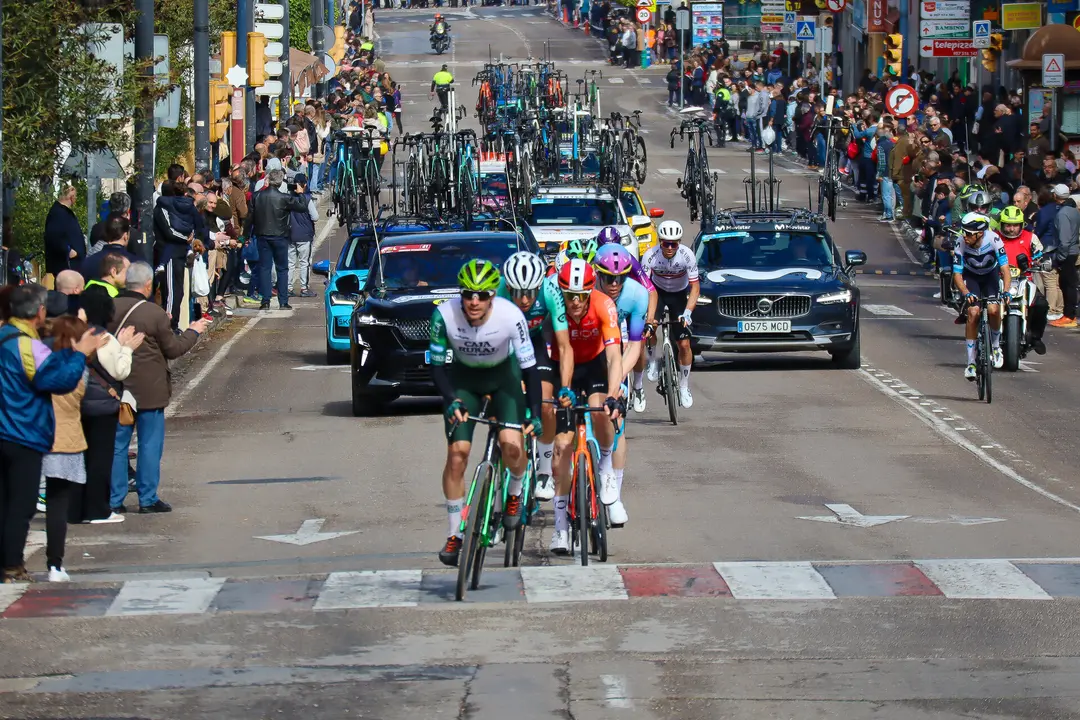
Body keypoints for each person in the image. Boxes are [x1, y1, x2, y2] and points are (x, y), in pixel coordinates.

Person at [429, 260, 542, 567]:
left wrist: (534, 413)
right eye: (468, 294)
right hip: (463, 383)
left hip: (504, 380)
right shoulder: (443, 316)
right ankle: (455, 535)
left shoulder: (510, 316)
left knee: (512, 446)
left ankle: (515, 491)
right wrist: (450, 399)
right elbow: (437, 367)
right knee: (457, 455)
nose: (474, 301)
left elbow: (530, 369)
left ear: (493, 296)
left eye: (482, 295)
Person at [0, 284, 103, 583]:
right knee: (21, 504)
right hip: (23, 431)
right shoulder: (28, 346)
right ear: (39, 311)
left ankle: (6, 562)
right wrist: (79, 355)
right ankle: (11, 565)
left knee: (4, 502)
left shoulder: (6, 339)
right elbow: (57, 380)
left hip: (6, 428)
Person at [108, 262, 210, 514]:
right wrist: (193, 332)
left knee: (117, 446)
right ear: (147, 285)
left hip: (116, 387)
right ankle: (147, 497)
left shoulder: (107, 309)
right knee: (149, 444)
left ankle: (114, 498)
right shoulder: (153, 313)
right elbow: (173, 349)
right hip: (150, 389)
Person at [549, 259, 624, 554]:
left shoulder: (604, 305)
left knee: (601, 411)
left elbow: (614, 356)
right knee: (561, 447)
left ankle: (605, 466)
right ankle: (560, 528)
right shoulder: (554, 307)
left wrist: (614, 393)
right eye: (569, 295)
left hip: (593, 366)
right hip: (561, 368)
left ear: (591, 291)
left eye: (582, 295)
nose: (575, 302)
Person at [497, 251, 573, 502]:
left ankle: (543, 471)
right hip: (505, 344)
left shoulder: (550, 291)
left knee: (545, 403)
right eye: (518, 293)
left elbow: (564, 346)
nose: (526, 299)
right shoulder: (497, 294)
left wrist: (566, 386)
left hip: (535, 342)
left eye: (531, 292)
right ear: (508, 287)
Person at [73, 289, 142, 525]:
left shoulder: (75, 334)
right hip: (102, 405)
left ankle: (78, 508)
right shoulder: (104, 337)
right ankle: (98, 509)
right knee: (100, 459)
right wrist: (127, 348)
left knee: (80, 458)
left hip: (78, 402)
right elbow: (119, 370)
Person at [592, 244, 647, 526]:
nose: (615, 284)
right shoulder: (584, 291)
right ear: (596, 273)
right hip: (587, 351)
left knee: (617, 422)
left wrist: (619, 382)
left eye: (621, 278)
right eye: (609, 278)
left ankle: (616, 495)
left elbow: (634, 347)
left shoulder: (637, 295)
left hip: (619, 353)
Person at [641, 220, 699, 408]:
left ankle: (683, 386)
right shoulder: (650, 256)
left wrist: (688, 313)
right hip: (656, 292)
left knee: (683, 343)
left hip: (679, 295)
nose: (669, 247)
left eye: (674, 243)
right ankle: (652, 360)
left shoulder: (687, 255)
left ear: (679, 242)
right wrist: (648, 315)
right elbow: (644, 287)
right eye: (666, 243)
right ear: (660, 242)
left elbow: (695, 287)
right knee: (651, 327)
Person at [952, 213, 1011, 379]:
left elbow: (1005, 269)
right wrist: (966, 293)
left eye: (969, 233)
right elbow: (957, 274)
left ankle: (996, 346)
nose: (965, 236)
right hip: (971, 277)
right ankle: (971, 363)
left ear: (980, 233)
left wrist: (1006, 290)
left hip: (990, 276)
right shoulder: (960, 242)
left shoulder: (994, 239)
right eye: (964, 232)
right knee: (973, 313)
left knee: (993, 309)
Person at [246, 167, 310, 310]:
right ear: (281, 182)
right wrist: (300, 194)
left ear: (268, 180)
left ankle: (265, 300)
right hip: (280, 236)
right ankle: (283, 301)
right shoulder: (284, 198)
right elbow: (302, 207)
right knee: (282, 269)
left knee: (265, 268)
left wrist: (245, 236)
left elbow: (249, 218)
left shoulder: (257, 196)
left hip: (262, 235)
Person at [997, 205, 1048, 355]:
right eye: (1008, 225)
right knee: (983, 303)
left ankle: (1036, 337)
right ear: (1002, 224)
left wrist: (1040, 261)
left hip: (1024, 279)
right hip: (999, 279)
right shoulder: (994, 237)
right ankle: (983, 335)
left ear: (1021, 225)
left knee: (1041, 304)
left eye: (1015, 225)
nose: (1011, 229)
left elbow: (1040, 254)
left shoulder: (1030, 237)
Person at [1048, 185, 1080, 329]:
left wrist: (1060, 257)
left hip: (1067, 253)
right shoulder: (1074, 210)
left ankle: (1069, 316)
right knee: (1068, 284)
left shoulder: (1063, 213)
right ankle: (1068, 314)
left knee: (1068, 285)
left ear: (1056, 196)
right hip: (1072, 251)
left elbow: (1064, 239)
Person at [43, 185, 86, 287]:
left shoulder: (63, 212)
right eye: (75, 196)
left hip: (71, 264)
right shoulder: (58, 213)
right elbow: (53, 236)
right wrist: (68, 251)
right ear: (71, 197)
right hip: (66, 264)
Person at [288, 174, 319, 299]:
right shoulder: (307, 199)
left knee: (290, 263)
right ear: (304, 185)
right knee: (304, 262)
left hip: (290, 234)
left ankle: (288, 288)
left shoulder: (288, 197)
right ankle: (303, 288)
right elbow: (315, 217)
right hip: (305, 235)